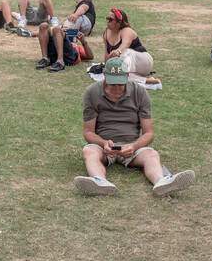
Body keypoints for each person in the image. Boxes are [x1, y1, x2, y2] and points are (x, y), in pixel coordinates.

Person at [74, 57, 195, 197]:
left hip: (132, 146)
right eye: (112, 83)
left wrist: (134, 146)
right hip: (104, 147)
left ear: (127, 77)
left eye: (120, 83)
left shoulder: (140, 92)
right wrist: (103, 143)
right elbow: (88, 132)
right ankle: (100, 182)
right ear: (104, 76)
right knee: (89, 150)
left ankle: (162, 182)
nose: (116, 88)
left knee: (151, 154)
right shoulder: (92, 92)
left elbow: (149, 133)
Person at [97, 8, 153, 80]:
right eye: (107, 18)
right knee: (112, 71)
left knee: (126, 53)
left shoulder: (127, 31)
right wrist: (107, 66)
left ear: (119, 22)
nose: (108, 21)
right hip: (129, 65)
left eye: (110, 19)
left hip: (143, 62)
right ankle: (147, 80)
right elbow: (106, 53)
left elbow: (125, 45)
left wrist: (118, 51)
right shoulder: (106, 33)